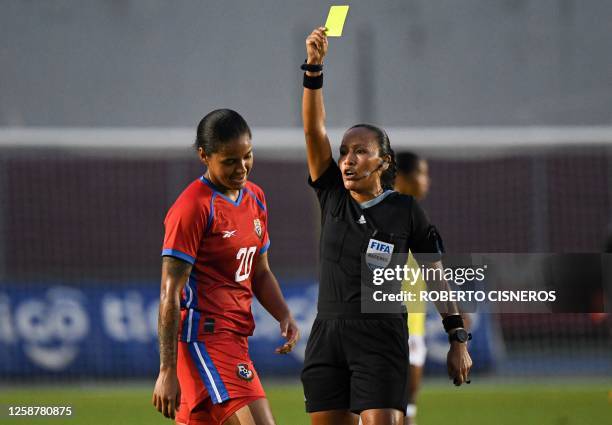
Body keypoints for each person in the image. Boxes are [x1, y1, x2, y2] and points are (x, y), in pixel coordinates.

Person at [299, 28, 473, 425]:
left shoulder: (406, 210)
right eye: (344, 151)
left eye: (361, 152)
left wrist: (456, 337)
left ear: (384, 162)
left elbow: (435, 274)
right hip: (327, 338)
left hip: (381, 338)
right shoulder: (331, 195)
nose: (348, 159)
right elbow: (313, 130)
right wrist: (314, 67)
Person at [152, 109, 299, 425]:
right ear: (204, 156)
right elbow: (169, 294)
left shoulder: (255, 198)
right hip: (202, 341)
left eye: (247, 156)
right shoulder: (193, 208)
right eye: (230, 160)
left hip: (235, 339)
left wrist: (283, 313)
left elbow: (259, 271)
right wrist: (166, 370)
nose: (242, 167)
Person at [394, 152, 430, 425]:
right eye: (421, 174)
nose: (426, 181)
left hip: (414, 321)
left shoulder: (413, 215)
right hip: (393, 321)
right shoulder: (387, 213)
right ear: (402, 179)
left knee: (408, 406)